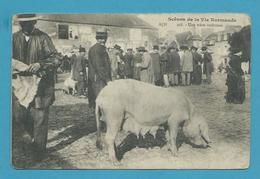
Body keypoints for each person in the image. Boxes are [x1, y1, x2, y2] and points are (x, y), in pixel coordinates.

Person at [12, 14, 59, 160]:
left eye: (29, 24)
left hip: (40, 86)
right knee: (20, 117)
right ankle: (27, 145)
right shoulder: (13, 38)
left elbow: (56, 58)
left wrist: (41, 64)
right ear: (19, 24)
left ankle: (39, 152)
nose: (26, 27)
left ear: (34, 22)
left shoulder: (43, 38)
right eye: (23, 24)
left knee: (40, 118)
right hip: (20, 85)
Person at [88, 29, 111, 108]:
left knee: (101, 98)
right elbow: (99, 66)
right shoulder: (97, 49)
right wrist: (107, 78)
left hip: (99, 78)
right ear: (98, 39)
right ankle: (100, 117)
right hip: (98, 78)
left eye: (104, 38)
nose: (104, 40)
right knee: (100, 98)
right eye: (102, 38)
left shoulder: (99, 48)